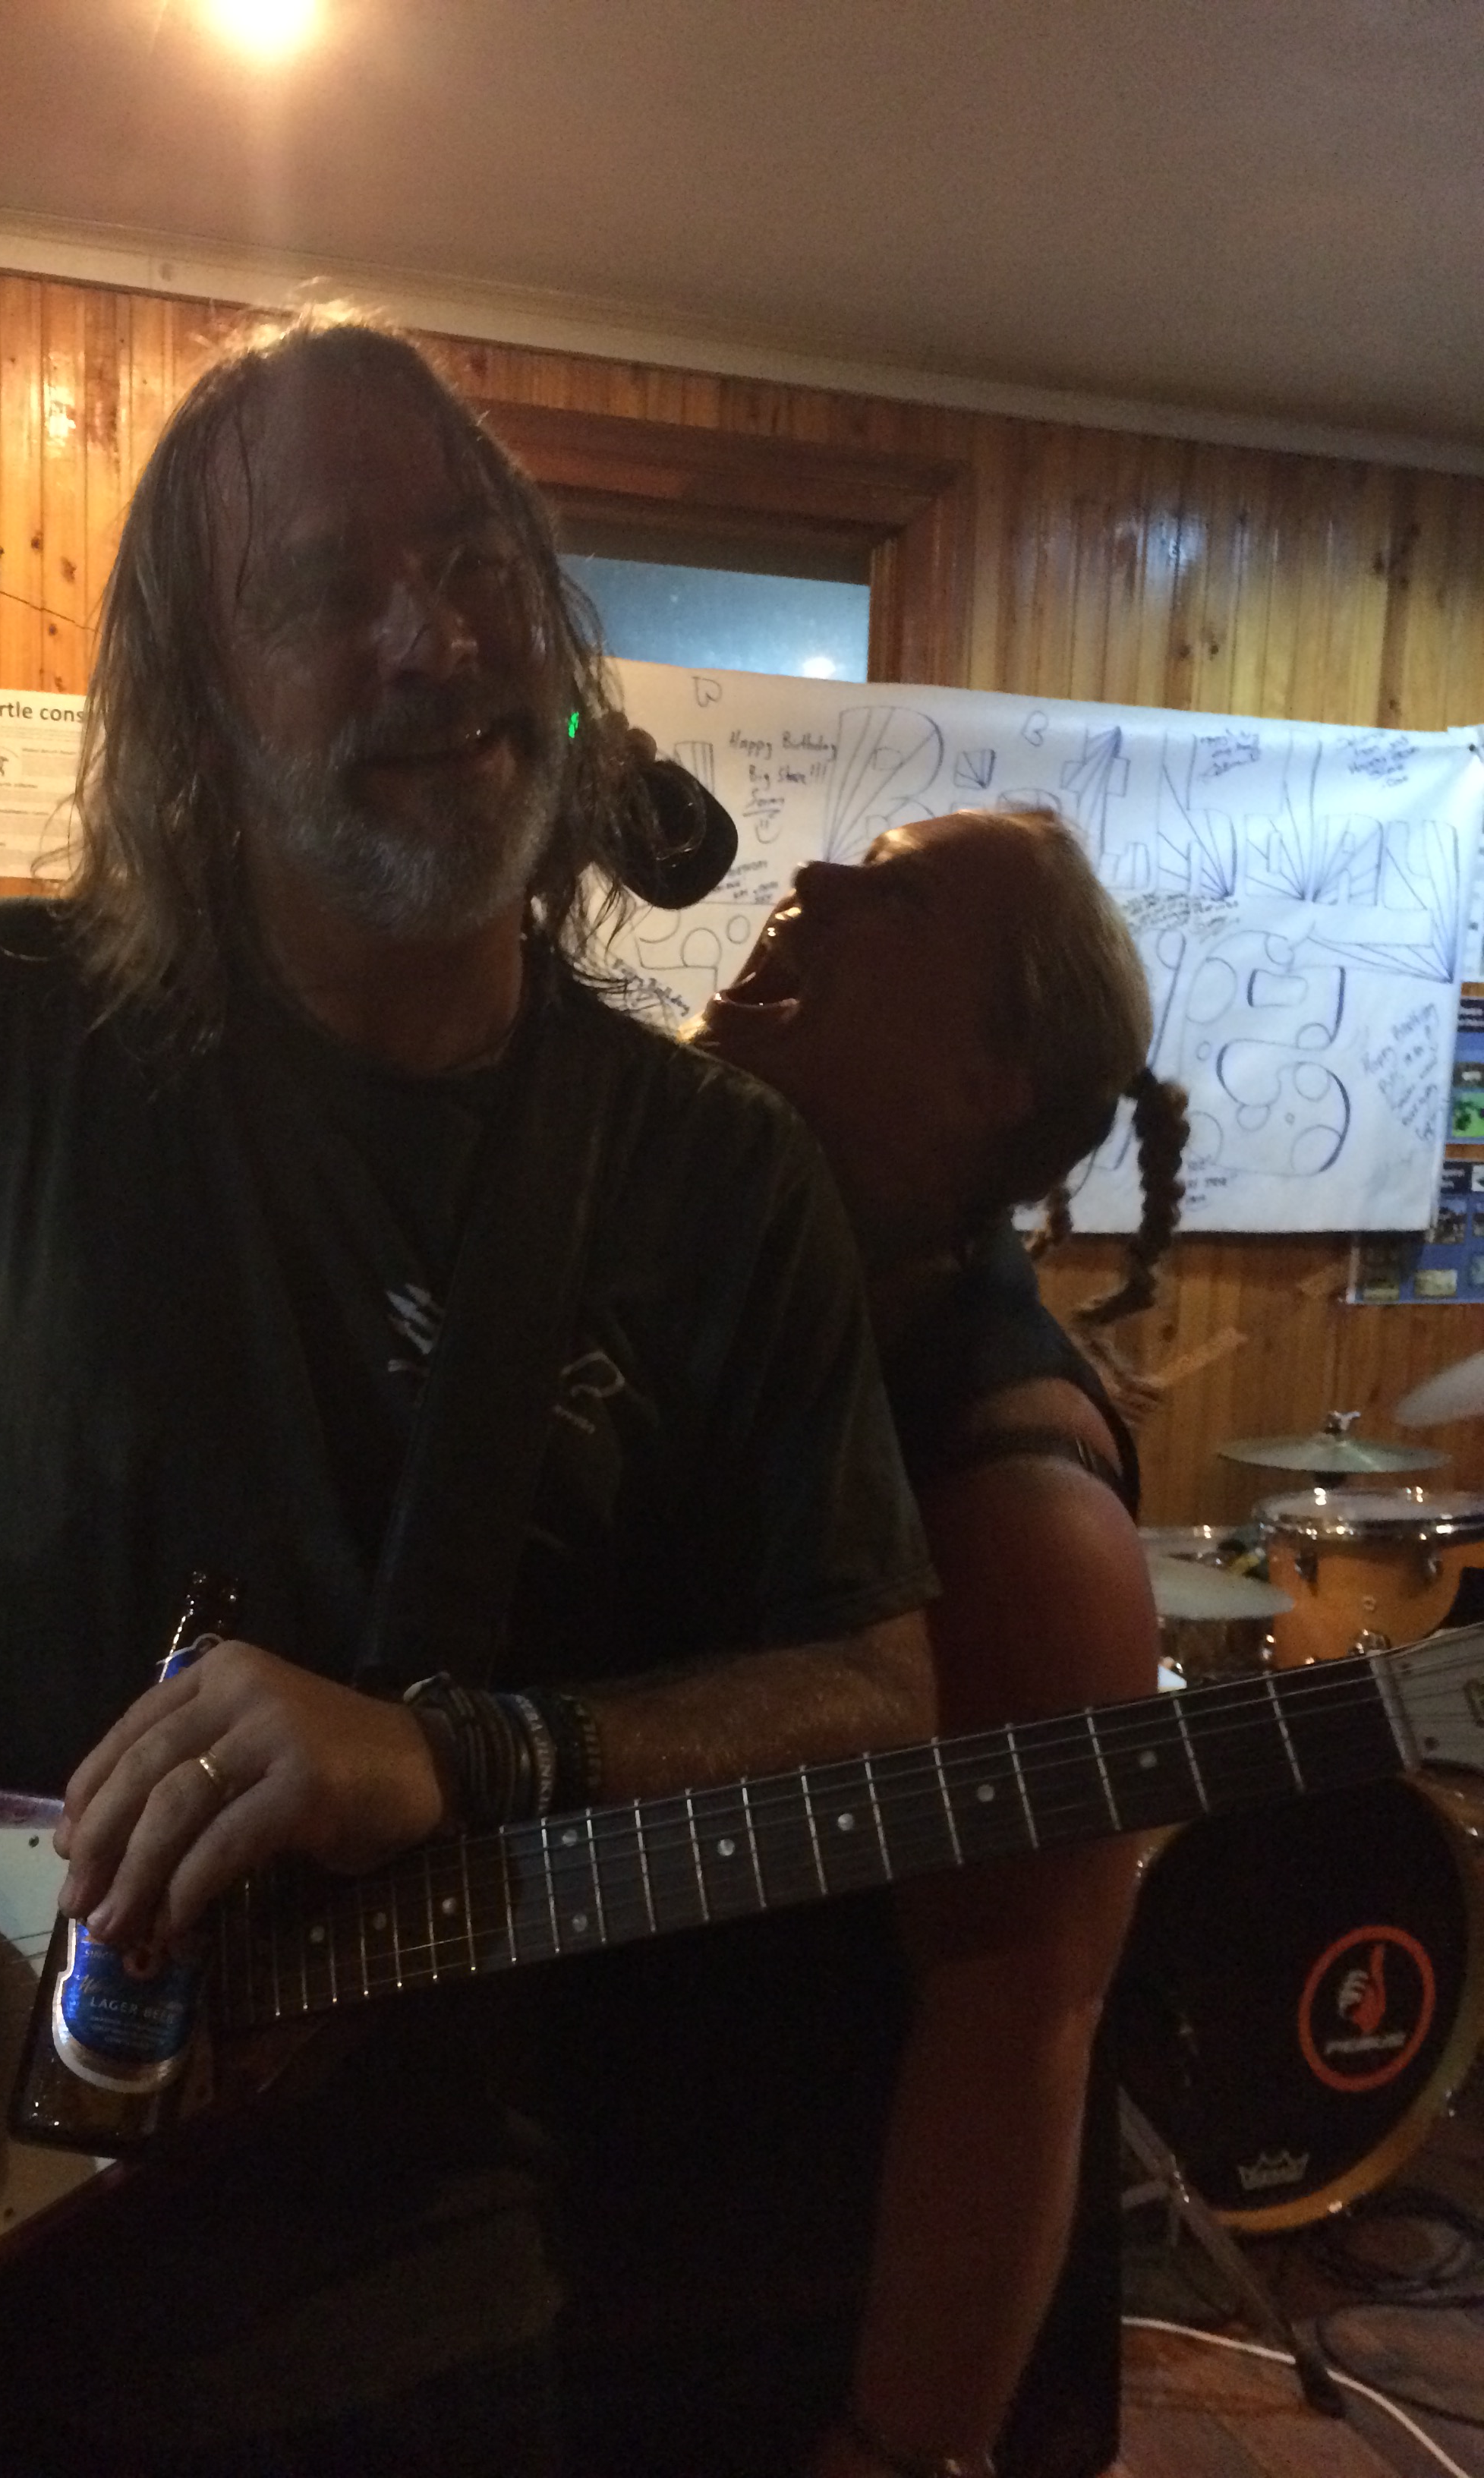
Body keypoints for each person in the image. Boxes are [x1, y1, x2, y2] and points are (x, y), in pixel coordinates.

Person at [0, 311, 936, 2477]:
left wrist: (462, 1754)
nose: (439, 641)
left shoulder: (717, 1177)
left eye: (478, 565)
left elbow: (874, 1694)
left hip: (401, 2302)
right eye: (328, 591)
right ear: (197, 710)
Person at [685, 806, 1186, 2478]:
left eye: (890, 893)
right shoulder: (792, 1308)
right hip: (693, 2244)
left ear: (986, 1080)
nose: (810, 884)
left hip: (831, 2324)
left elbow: (1014, 2025)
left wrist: (900, 2447)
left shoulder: (1019, 1505)